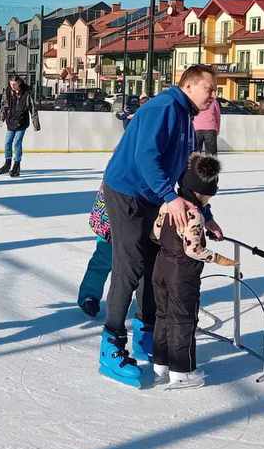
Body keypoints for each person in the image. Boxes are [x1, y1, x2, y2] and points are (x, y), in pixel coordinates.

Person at [98, 64, 225, 388]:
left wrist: (202, 214)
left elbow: (179, 168)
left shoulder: (185, 116)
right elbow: (145, 157)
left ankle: (145, 333)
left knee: (155, 266)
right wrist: (169, 198)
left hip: (153, 194)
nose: (214, 95)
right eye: (209, 89)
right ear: (190, 85)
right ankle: (110, 346)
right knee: (129, 266)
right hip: (127, 192)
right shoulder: (164, 108)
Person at [150, 153, 235, 390]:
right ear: (201, 192)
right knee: (183, 320)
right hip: (182, 274)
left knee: (163, 316)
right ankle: (182, 371)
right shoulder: (195, 215)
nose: (209, 200)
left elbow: (156, 233)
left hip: (161, 267)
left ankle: (160, 364)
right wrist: (218, 258)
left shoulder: (169, 205)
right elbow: (193, 249)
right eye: (209, 195)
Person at [77, 186, 113, 318]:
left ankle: (148, 302)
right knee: (104, 256)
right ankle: (89, 296)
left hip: (150, 206)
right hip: (116, 203)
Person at [0, 75, 41, 177]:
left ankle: (16, 165)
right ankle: (7, 163)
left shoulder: (26, 94)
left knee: (17, 142)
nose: (12, 86)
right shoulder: (7, 92)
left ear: (19, 83)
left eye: (14, 84)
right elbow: (4, 106)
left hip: (22, 122)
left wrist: (36, 124)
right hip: (11, 121)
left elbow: (33, 109)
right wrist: (1, 118)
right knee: (7, 143)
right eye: (11, 83)